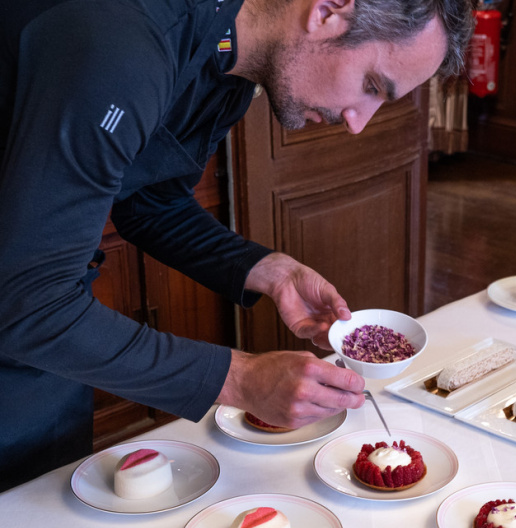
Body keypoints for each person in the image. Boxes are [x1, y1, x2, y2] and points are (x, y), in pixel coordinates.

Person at [0, 0, 474, 491]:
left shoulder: (234, 61)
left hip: (44, 343)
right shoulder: (125, 42)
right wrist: (241, 379)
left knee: (39, 511)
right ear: (327, 11)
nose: (358, 122)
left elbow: (148, 199)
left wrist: (266, 269)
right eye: (372, 85)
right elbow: (30, 301)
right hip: (30, 314)